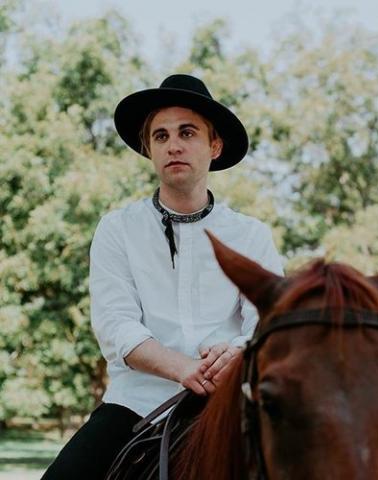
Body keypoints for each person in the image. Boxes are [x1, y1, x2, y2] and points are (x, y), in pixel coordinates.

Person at [42, 74, 283, 479]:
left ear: (214, 146)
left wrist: (240, 355)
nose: (173, 145)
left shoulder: (251, 235)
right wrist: (181, 368)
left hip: (230, 400)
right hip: (137, 403)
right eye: (161, 136)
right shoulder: (117, 229)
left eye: (187, 133)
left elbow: (269, 321)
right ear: (149, 150)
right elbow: (116, 326)